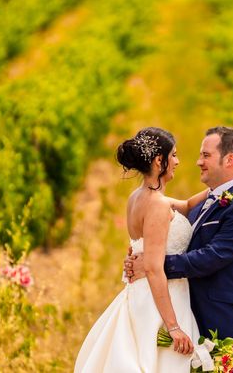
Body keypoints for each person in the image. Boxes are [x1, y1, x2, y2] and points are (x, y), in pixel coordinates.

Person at [125, 126, 233, 373]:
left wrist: (151, 264)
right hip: (184, 317)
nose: (197, 162)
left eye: (206, 155)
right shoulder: (199, 204)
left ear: (229, 160)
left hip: (222, 325)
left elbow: (211, 258)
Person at [74, 127, 209, 372]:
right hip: (162, 299)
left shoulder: (138, 197)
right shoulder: (156, 204)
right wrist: (173, 327)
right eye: (174, 155)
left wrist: (222, 187)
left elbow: (187, 205)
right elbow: (154, 268)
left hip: (141, 295)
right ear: (160, 161)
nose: (178, 162)